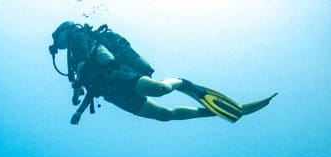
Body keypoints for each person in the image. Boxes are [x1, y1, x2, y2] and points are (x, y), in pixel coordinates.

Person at [49, 21, 276, 125]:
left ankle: (181, 81)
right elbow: (92, 87)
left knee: (161, 89)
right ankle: (214, 113)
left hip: (118, 76)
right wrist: (79, 111)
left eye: (55, 38)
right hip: (112, 94)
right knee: (164, 116)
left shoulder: (77, 36)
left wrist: (81, 80)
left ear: (62, 31)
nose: (55, 44)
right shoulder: (75, 60)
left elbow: (101, 61)